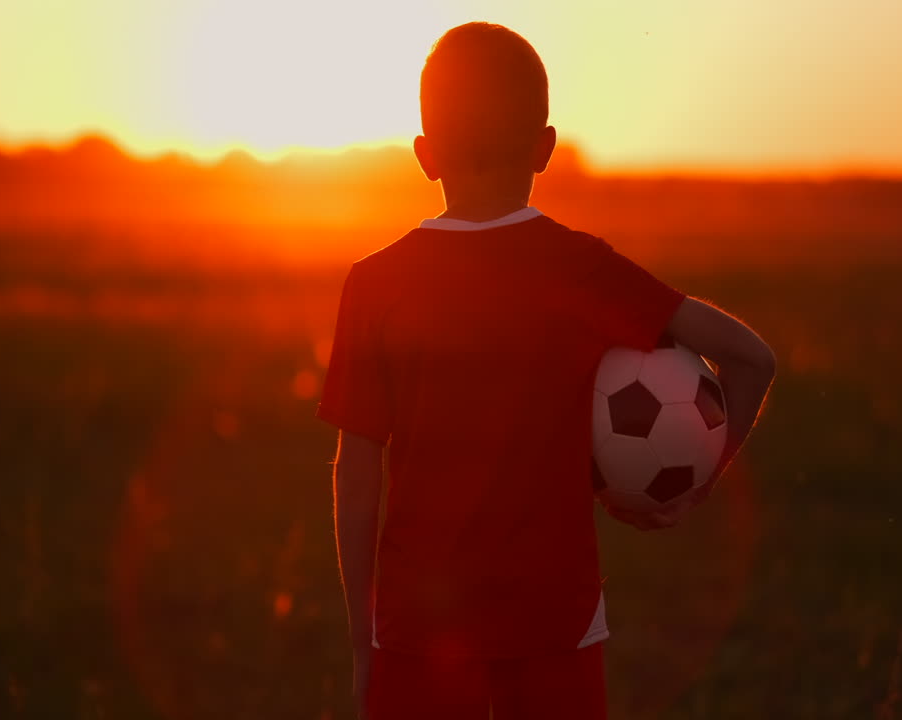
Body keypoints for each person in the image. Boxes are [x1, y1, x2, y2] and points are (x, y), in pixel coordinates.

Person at [316, 22, 776, 720]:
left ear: (424, 154)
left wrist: (362, 646)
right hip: (557, 631)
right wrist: (694, 482)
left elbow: (356, 483)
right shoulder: (582, 270)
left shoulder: (375, 285)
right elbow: (751, 358)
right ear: (545, 147)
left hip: (415, 640)